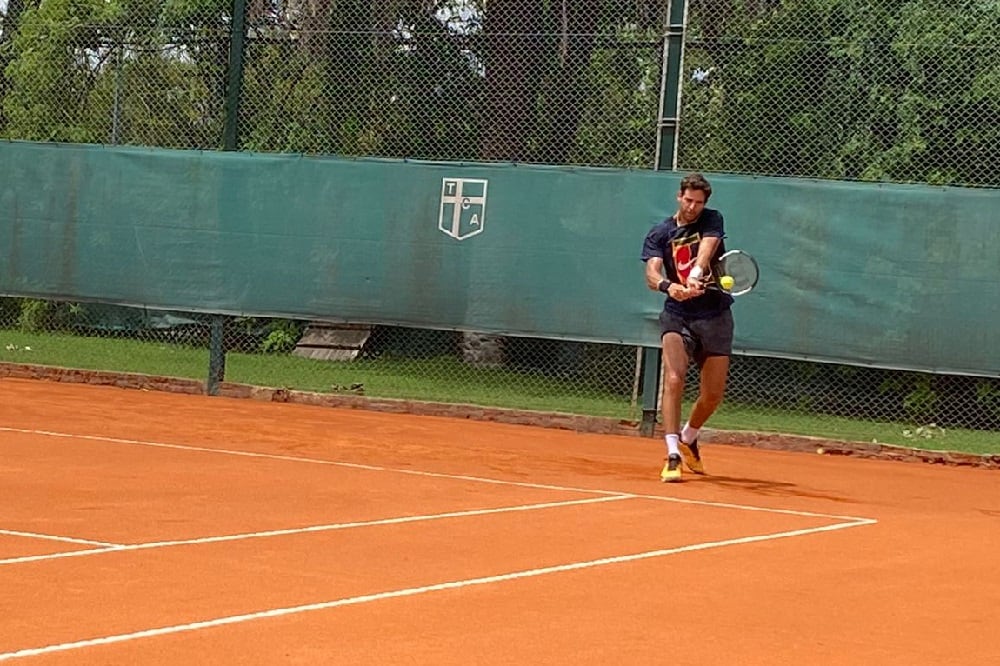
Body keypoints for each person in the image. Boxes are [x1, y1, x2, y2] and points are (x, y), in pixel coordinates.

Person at [641, 172, 734, 482]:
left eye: (699, 202)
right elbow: (651, 275)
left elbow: (708, 248)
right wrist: (671, 287)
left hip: (716, 315)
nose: (693, 206)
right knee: (674, 377)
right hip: (677, 314)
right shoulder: (660, 233)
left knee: (713, 395)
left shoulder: (712, 219)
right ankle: (672, 453)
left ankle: (689, 435)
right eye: (688, 200)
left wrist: (695, 272)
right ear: (678, 197)